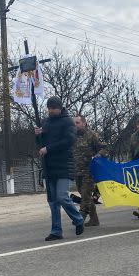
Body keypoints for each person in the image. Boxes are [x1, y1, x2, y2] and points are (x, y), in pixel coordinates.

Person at [35, 97, 85, 241]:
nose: (50, 111)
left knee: (62, 196)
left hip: (64, 165)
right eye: (49, 108)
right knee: (52, 201)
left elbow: (69, 141)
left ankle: (78, 219)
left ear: (59, 108)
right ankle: (56, 230)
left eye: (53, 108)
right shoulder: (45, 122)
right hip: (49, 166)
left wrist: (48, 148)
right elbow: (41, 144)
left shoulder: (68, 121)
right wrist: (38, 136)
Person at [71, 116, 106, 227]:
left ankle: (80, 217)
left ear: (84, 123)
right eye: (74, 123)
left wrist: (98, 155)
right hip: (77, 171)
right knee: (84, 194)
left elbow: (104, 148)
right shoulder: (72, 137)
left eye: (77, 122)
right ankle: (94, 219)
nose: (75, 125)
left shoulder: (92, 135)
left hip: (89, 171)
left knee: (86, 194)